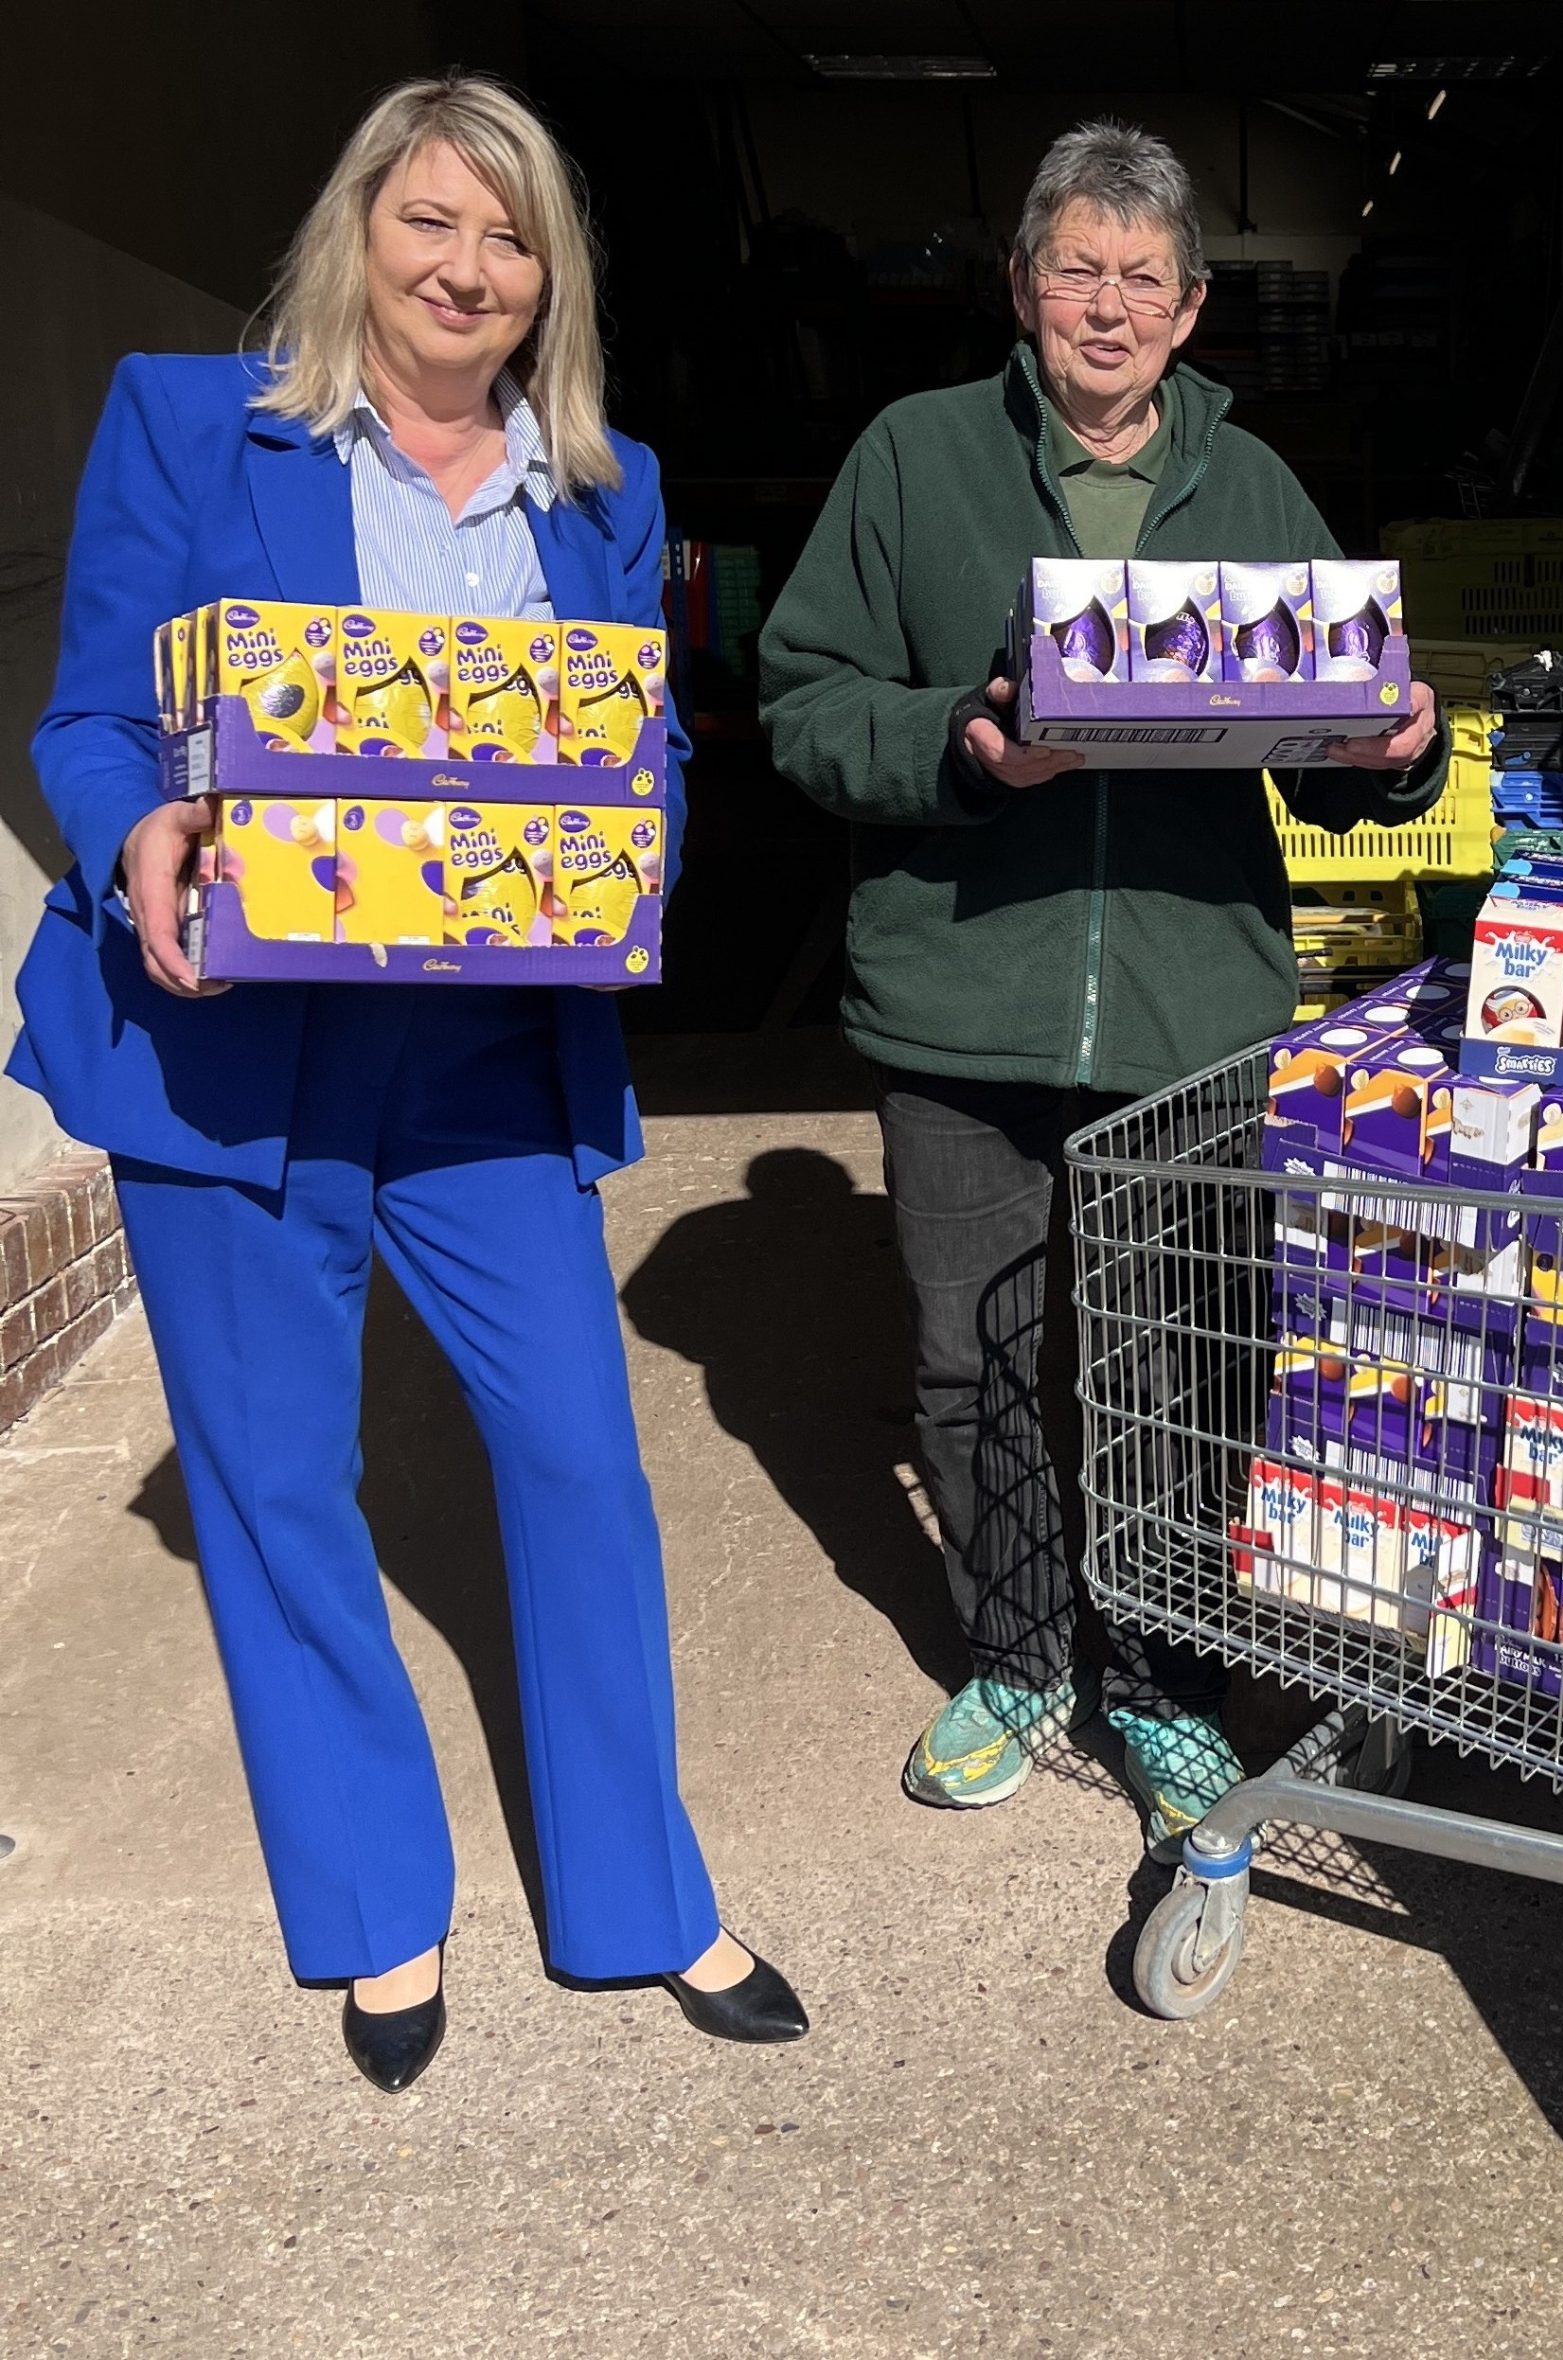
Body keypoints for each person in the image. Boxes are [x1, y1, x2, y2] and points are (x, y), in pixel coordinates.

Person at [8, 75, 805, 2091]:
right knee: (281, 1487)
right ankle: (379, 1907)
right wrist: (139, 831)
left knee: (580, 1459)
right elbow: (95, 712)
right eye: (430, 220)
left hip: (482, 1051)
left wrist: (633, 858)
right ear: (357, 228)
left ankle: (638, 1895)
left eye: (511, 235)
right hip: (225, 1046)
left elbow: (642, 748)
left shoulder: (600, 487)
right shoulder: (194, 423)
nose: (467, 267)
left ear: (553, 278)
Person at [760, 120, 1447, 1856]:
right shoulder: (914, 458)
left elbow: (1341, 758)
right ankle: (1014, 1660)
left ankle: (1158, 1680)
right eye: (1078, 268)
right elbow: (803, 703)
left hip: (1186, 1008)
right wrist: (967, 746)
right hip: (960, 1001)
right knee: (970, 1356)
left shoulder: (1260, 487)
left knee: (1176, 1369)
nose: (1110, 306)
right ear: (1023, 286)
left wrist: (1400, 751)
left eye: (1145, 278)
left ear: (1193, 307)